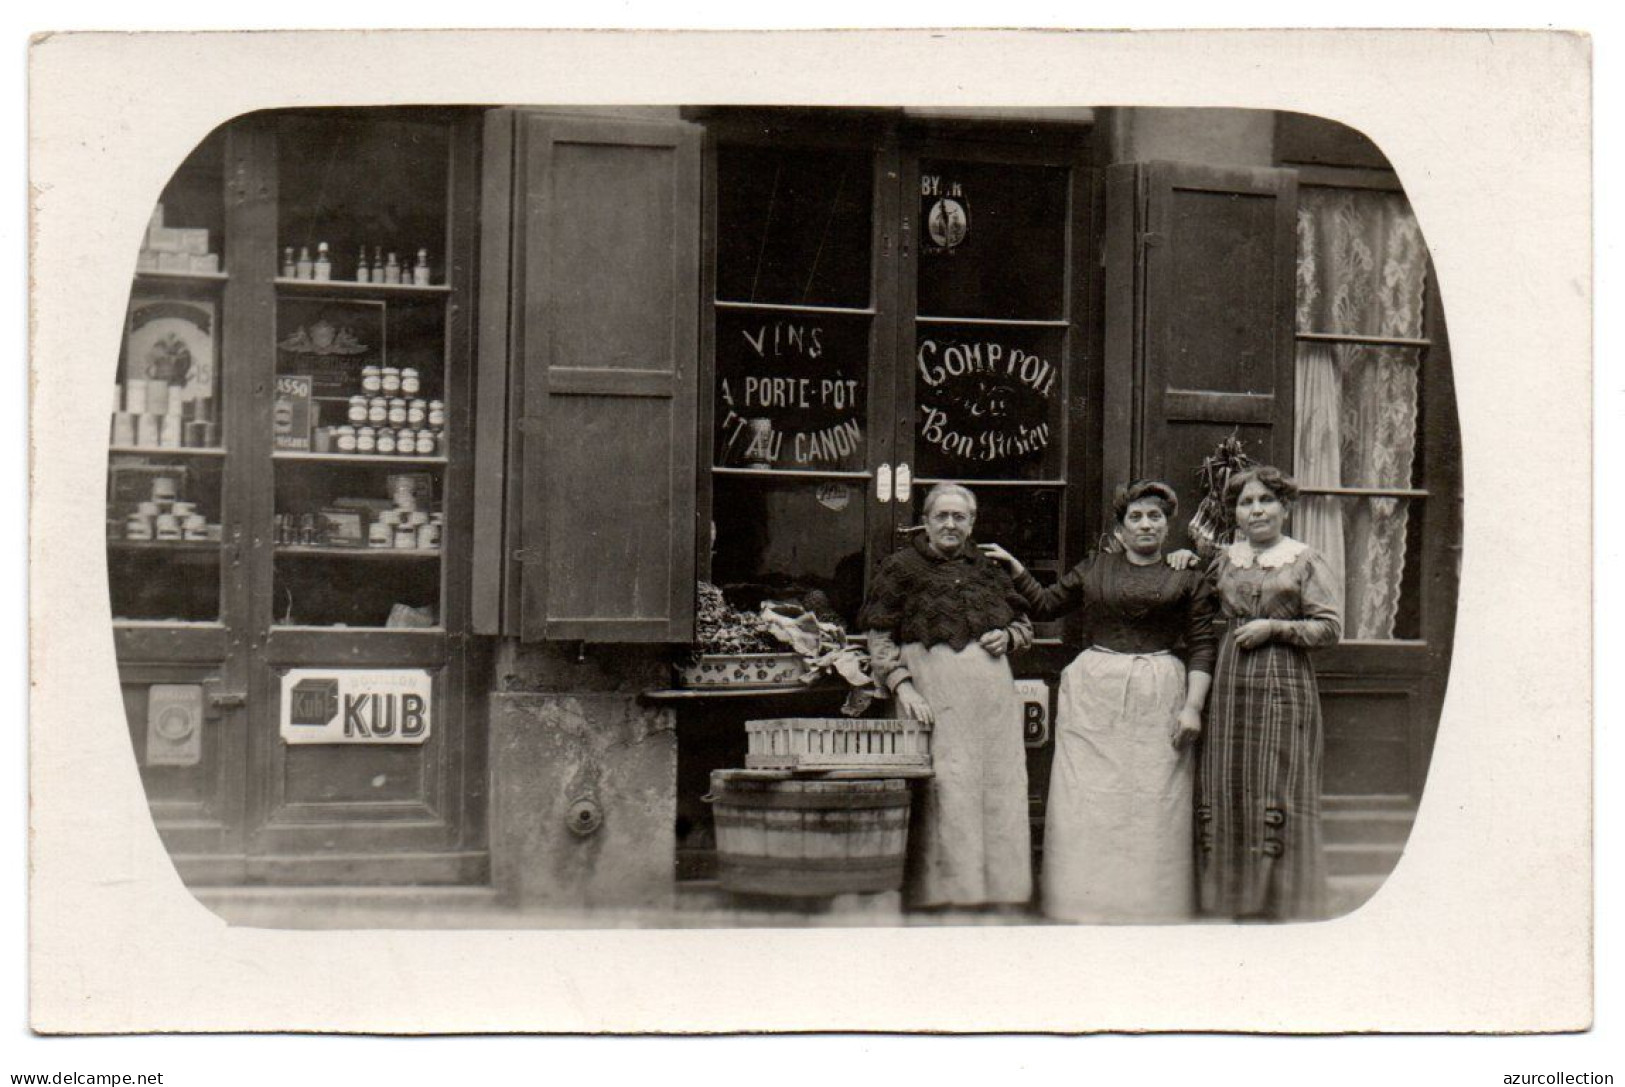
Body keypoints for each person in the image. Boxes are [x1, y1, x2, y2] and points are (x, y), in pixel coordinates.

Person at [982, 480, 1217, 922]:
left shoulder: (1187, 576)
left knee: (1153, 796)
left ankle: (1150, 905)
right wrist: (1015, 568)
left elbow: (1203, 644)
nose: (1146, 524)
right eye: (1136, 517)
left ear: (1168, 526)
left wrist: (1192, 707)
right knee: (1089, 797)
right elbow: (1048, 604)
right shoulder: (1095, 569)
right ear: (1121, 528)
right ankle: (1082, 902)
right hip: (1095, 693)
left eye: (1155, 517)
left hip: (1159, 691)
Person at [858, 482, 1035, 912]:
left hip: (991, 698)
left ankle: (999, 891)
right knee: (946, 789)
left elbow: (1026, 625)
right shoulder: (900, 567)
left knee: (995, 786)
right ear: (927, 519)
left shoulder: (990, 568)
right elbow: (879, 637)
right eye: (943, 516)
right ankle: (945, 894)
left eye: (960, 517)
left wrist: (1008, 635)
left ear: (972, 523)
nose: (951, 524)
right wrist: (902, 684)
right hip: (932, 696)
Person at [1198, 465, 1343, 920]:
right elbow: (1196, 607)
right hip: (1230, 681)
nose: (1256, 510)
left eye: (1266, 501)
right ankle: (1234, 896)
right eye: (1246, 503)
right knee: (1230, 779)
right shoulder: (1224, 560)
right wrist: (1180, 560)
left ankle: (1280, 897)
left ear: (1285, 507)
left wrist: (1274, 628)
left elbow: (1331, 628)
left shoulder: (1304, 560)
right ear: (1235, 513)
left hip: (1283, 679)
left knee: (1276, 780)